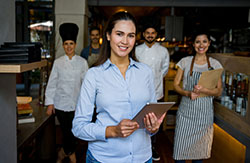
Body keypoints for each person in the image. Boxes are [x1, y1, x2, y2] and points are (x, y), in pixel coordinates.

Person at [72, 11, 165, 163]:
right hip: (104, 158)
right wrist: (112, 130)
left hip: (143, 157)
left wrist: (153, 128)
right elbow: (78, 127)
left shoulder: (146, 72)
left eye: (131, 35)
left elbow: (151, 121)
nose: (125, 41)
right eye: (119, 34)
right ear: (108, 35)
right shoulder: (94, 75)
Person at [173, 29, 223, 163]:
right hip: (186, 114)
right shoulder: (185, 62)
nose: (201, 45)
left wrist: (205, 90)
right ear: (193, 44)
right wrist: (187, 93)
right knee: (179, 153)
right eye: (198, 42)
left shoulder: (215, 64)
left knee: (199, 155)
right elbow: (176, 85)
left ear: (209, 43)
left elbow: (219, 91)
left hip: (204, 116)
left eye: (204, 42)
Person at [45, 23, 88, 163]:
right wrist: (50, 103)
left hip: (76, 104)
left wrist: (87, 103)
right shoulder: (58, 63)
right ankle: (71, 154)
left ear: (75, 45)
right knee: (65, 131)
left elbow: (86, 85)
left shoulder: (83, 63)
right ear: (63, 45)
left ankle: (63, 152)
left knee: (74, 131)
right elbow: (52, 84)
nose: (68, 46)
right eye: (66, 44)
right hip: (60, 104)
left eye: (71, 43)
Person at [136, 20, 170, 161]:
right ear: (144, 34)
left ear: (156, 34)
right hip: (139, 91)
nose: (150, 35)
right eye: (148, 33)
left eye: (153, 33)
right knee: (140, 119)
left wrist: (153, 80)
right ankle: (138, 147)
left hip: (156, 91)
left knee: (155, 121)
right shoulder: (137, 50)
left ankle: (152, 147)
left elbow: (164, 70)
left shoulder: (163, 51)